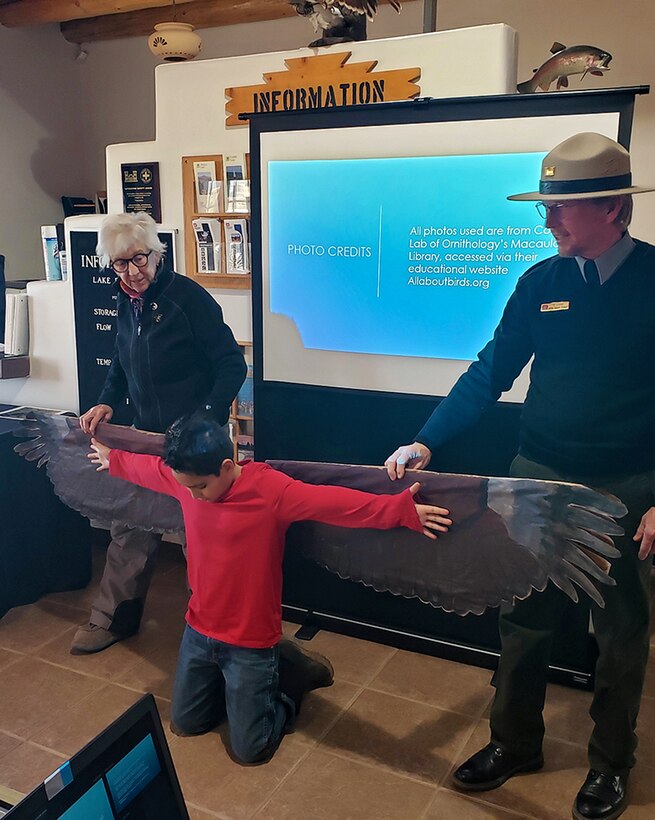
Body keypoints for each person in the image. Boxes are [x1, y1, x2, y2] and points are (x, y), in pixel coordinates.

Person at [385, 133, 655, 820]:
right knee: (523, 620)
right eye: (546, 208)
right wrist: (427, 440)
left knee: (619, 631)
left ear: (613, 209)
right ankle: (514, 742)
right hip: (536, 475)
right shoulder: (538, 285)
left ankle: (609, 764)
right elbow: (490, 371)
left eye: (561, 209)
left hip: (623, 486)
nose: (547, 223)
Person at [89, 413, 451, 764]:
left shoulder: (271, 491)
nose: (194, 496)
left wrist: (401, 511)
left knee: (251, 750)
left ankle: (290, 681)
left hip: (251, 640)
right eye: (187, 487)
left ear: (228, 467)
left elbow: (336, 504)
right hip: (199, 630)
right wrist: (114, 459)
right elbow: (148, 470)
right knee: (186, 724)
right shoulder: (185, 480)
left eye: (201, 486)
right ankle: (245, 688)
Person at [73, 212, 247, 655]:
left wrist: (204, 418)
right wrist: (107, 400)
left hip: (198, 441)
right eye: (119, 264)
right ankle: (114, 617)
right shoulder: (124, 300)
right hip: (146, 436)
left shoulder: (189, 299)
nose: (132, 272)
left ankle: (212, 629)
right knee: (129, 525)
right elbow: (119, 362)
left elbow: (232, 365)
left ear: (157, 253)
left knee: (202, 538)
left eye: (139, 259)